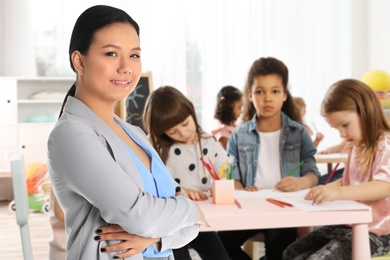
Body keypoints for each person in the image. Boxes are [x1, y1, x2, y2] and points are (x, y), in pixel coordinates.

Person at [48, 5, 207, 260]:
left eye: (134, 55)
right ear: (79, 61)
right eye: (111, 53)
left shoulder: (134, 132)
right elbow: (141, 216)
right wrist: (191, 209)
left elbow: (189, 229)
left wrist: (157, 236)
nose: (126, 67)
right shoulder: (71, 135)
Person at [218, 57, 320, 260]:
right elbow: (231, 176)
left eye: (275, 91)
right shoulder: (238, 135)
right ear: (250, 96)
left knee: (279, 247)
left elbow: (313, 174)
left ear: (284, 95)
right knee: (219, 242)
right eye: (259, 92)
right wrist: (241, 188)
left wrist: (299, 182)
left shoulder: (298, 133)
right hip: (249, 209)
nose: (267, 98)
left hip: (283, 209)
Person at [283, 79, 390, 259]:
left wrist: (338, 192)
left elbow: (384, 186)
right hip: (351, 224)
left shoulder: (385, 145)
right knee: (291, 252)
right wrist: (325, 190)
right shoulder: (356, 147)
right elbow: (349, 181)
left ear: (366, 111)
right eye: (336, 128)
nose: (341, 134)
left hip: (380, 232)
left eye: (345, 125)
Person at [143, 85, 230, 260]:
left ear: (191, 111)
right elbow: (152, 185)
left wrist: (219, 185)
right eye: (173, 131)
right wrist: (183, 190)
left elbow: (225, 169)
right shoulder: (158, 148)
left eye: (185, 124)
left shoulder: (208, 141)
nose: (182, 133)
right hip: (173, 220)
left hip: (201, 216)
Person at [211, 85, 243, 149]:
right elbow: (231, 154)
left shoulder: (232, 125)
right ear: (228, 106)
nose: (241, 111)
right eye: (239, 107)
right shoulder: (222, 132)